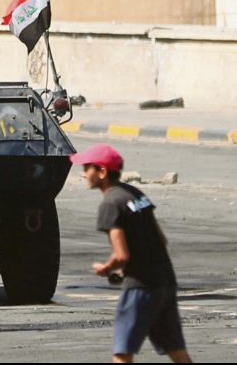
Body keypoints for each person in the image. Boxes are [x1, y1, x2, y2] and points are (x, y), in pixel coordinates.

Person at [71, 143, 192, 364]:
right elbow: (160, 239)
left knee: (122, 353)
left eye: (87, 167)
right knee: (176, 350)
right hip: (164, 281)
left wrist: (105, 268)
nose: (84, 173)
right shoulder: (135, 194)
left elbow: (121, 255)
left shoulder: (110, 203)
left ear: (102, 171)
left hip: (141, 287)